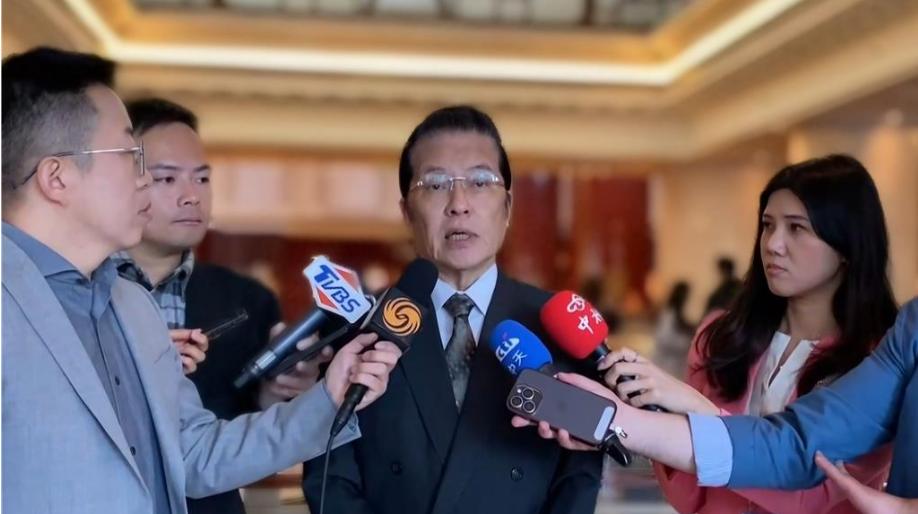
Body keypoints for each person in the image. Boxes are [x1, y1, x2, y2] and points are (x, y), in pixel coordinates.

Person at [1, 46, 400, 514]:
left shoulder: (133, 306)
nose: (144, 180)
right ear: (57, 177)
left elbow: (195, 455)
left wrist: (329, 398)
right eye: (130, 155)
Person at [513, 155, 916, 512]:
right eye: (767, 226)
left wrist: (697, 409)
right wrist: (630, 422)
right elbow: (689, 495)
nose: (773, 244)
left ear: (846, 244)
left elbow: (810, 494)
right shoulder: (724, 335)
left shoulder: (880, 359)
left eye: (797, 229)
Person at [302, 105, 603, 514]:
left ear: (508, 207)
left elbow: (578, 480)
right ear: (407, 212)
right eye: (435, 184)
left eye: (480, 181)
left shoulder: (555, 325)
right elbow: (331, 478)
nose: (459, 204)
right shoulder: (359, 325)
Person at [115, 97, 330, 514]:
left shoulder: (247, 302)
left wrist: (276, 394)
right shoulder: (82, 290)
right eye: (167, 178)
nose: (191, 196)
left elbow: (247, 440)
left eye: (202, 178)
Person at [652, 280, 694, 378]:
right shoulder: (668, 315)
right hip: (665, 367)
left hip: (676, 367)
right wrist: (687, 343)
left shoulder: (680, 316)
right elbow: (663, 340)